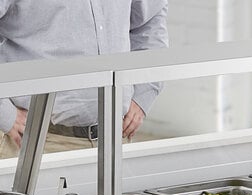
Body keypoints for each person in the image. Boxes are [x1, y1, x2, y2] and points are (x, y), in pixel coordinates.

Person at [0, 0, 168, 159]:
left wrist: (143, 92)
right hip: (37, 142)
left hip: (116, 140)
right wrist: (6, 115)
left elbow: (151, 20)